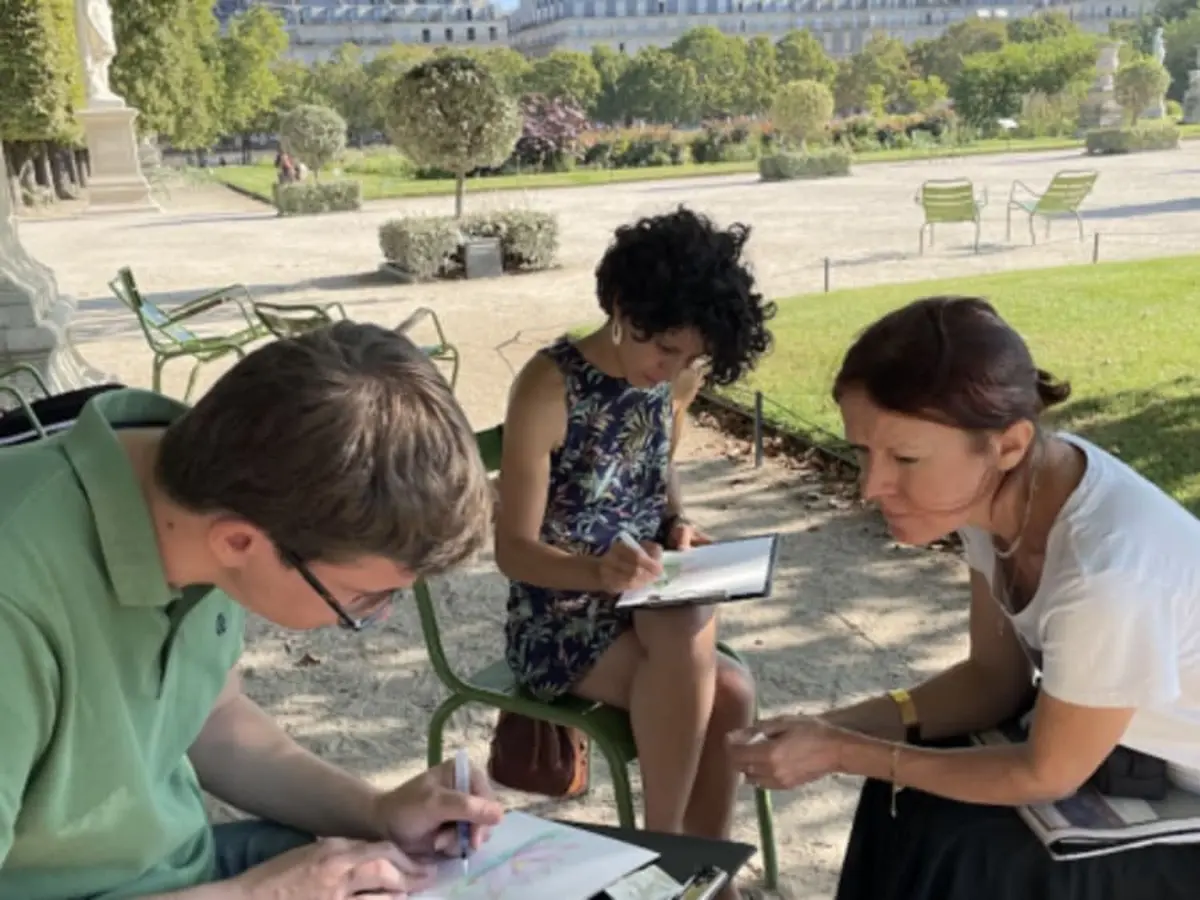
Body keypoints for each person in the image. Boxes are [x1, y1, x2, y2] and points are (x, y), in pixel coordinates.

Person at [0, 321, 505, 900]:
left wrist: (376, 811)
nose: (381, 616)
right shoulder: (13, 596)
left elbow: (215, 722)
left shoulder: (215, 491)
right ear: (238, 542)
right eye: (362, 598)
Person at [728, 295, 1200, 900]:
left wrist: (846, 752)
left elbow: (1046, 771)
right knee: (903, 795)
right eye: (862, 451)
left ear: (1008, 444)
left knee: (966, 855)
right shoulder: (1000, 495)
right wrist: (828, 727)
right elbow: (991, 682)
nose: (871, 486)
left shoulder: (1106, 574)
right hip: (1127, 759)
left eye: (904, 458)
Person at [494, 207, 775, 896]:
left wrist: (679, 526)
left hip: (641, 598)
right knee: (704, 661)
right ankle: (668, 854)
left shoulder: (663, 384)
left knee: (734, 691)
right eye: (665, 352)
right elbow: (512, 550)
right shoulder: (548, 385)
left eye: (692, 359)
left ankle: (700, 877)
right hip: (558, 618)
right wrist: (598, 571)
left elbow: (659, 481)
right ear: (624, 309)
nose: (673, 372)